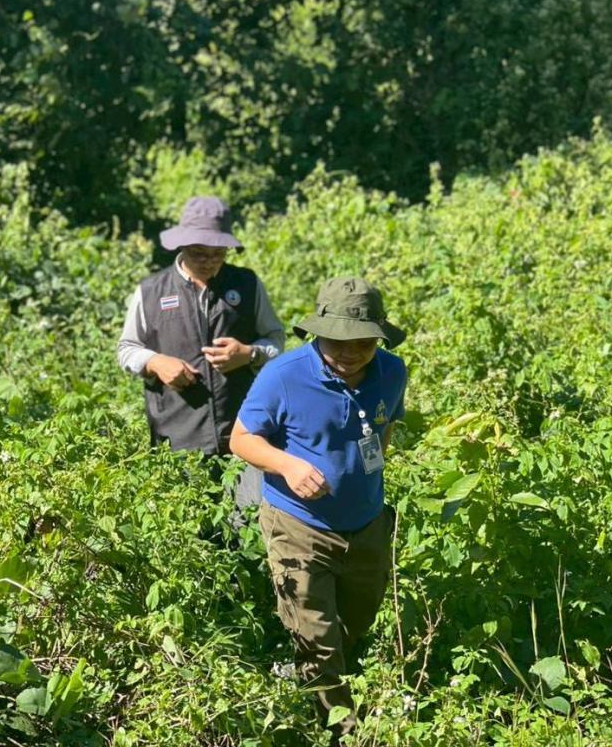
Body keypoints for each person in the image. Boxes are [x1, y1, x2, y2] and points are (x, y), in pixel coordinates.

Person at [229, 277, 407, 740]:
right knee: (318, 636)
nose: (350, 353)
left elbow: (383, 430)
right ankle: (342, 731)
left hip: (366, 524)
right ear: (317, 333)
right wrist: (288, 466)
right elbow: (241, 439)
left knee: (357, 621)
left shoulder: (392, 371)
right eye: (338, 342)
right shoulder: (284, 375)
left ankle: (304, 678)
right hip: (298, 525)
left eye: (363, 343)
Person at [117, 196, 284, 460]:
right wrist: (156, 362)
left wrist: (250, 354)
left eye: (218, 253)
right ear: (181, 246)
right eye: (199, 253)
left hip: (243, 434)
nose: (208, 261)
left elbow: (275, 340)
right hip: (175, 436)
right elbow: (127, 348)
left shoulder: (246, 284)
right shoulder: (151, 291)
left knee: (246, 502)